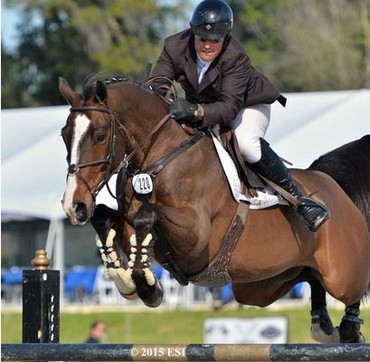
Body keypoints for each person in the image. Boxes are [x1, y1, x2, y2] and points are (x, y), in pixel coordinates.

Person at [150, 0, 328, 232]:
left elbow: (228, 108)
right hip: (204, 105)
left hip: (248, 104)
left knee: (246, 144)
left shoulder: (235, 56)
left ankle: (299, 200)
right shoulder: (174, 46)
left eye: (215, 40)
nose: (207, 45)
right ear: (193, 33)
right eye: (202, 37)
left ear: (225, 38)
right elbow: (157, 82)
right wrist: (166, 98)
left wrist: (195, 111)